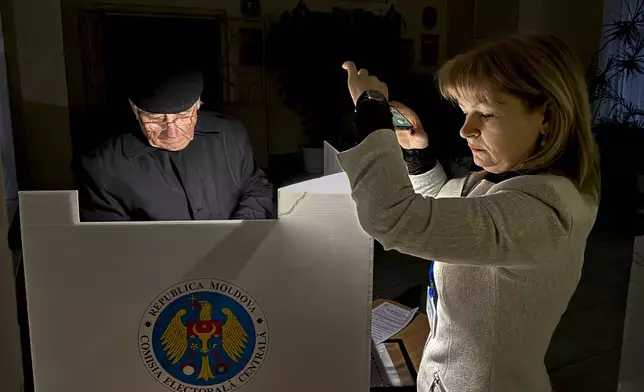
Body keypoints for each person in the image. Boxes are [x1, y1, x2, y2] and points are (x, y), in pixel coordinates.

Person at [339, 34, 600, 392]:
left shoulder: (539, 213)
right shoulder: (513, 183)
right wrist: (417, 155)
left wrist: (371, 112)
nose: (466, 130)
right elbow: (448, 211)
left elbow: (395, 218)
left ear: (548, 118)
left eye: (487, 114)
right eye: (465, 112)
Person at [77, 70, 273, 221]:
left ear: (197, 105)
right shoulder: (102, 167)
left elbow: (256, 187)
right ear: (135, 112)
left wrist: (238, 236)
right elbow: (111, 243)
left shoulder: (229, 134)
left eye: (182, 116)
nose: (171, 131)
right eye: (154, 119)